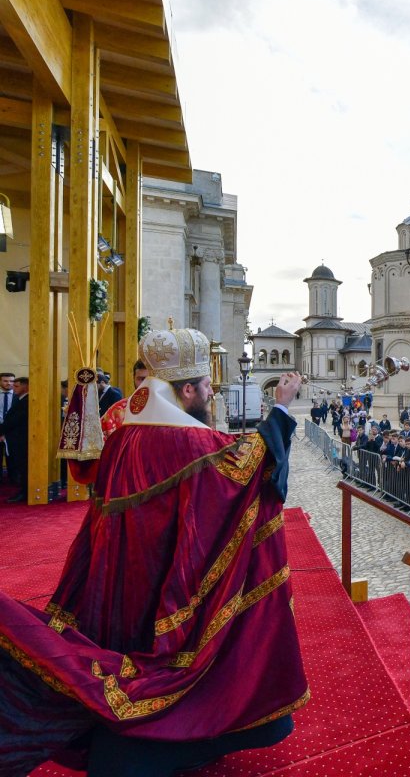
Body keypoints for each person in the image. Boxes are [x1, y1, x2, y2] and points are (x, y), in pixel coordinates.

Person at [0, 328, 305, 775]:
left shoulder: (126, 437)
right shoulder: (188, 443)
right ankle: (169, 730)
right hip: (163, 580)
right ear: (186, 390)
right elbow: (248, 466)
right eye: (205, 386)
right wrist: (281, 407)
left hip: (120, 576)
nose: (211, 393)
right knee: (160, 668)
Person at [1, 376, 28, 502]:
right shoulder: (21, 399)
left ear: (26, 386)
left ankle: (24, 492)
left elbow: (13, 421)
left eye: (16, 385)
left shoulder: (26, 401)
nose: (12, 387)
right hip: (15, 438)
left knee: (22, 467)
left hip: (21, 439)